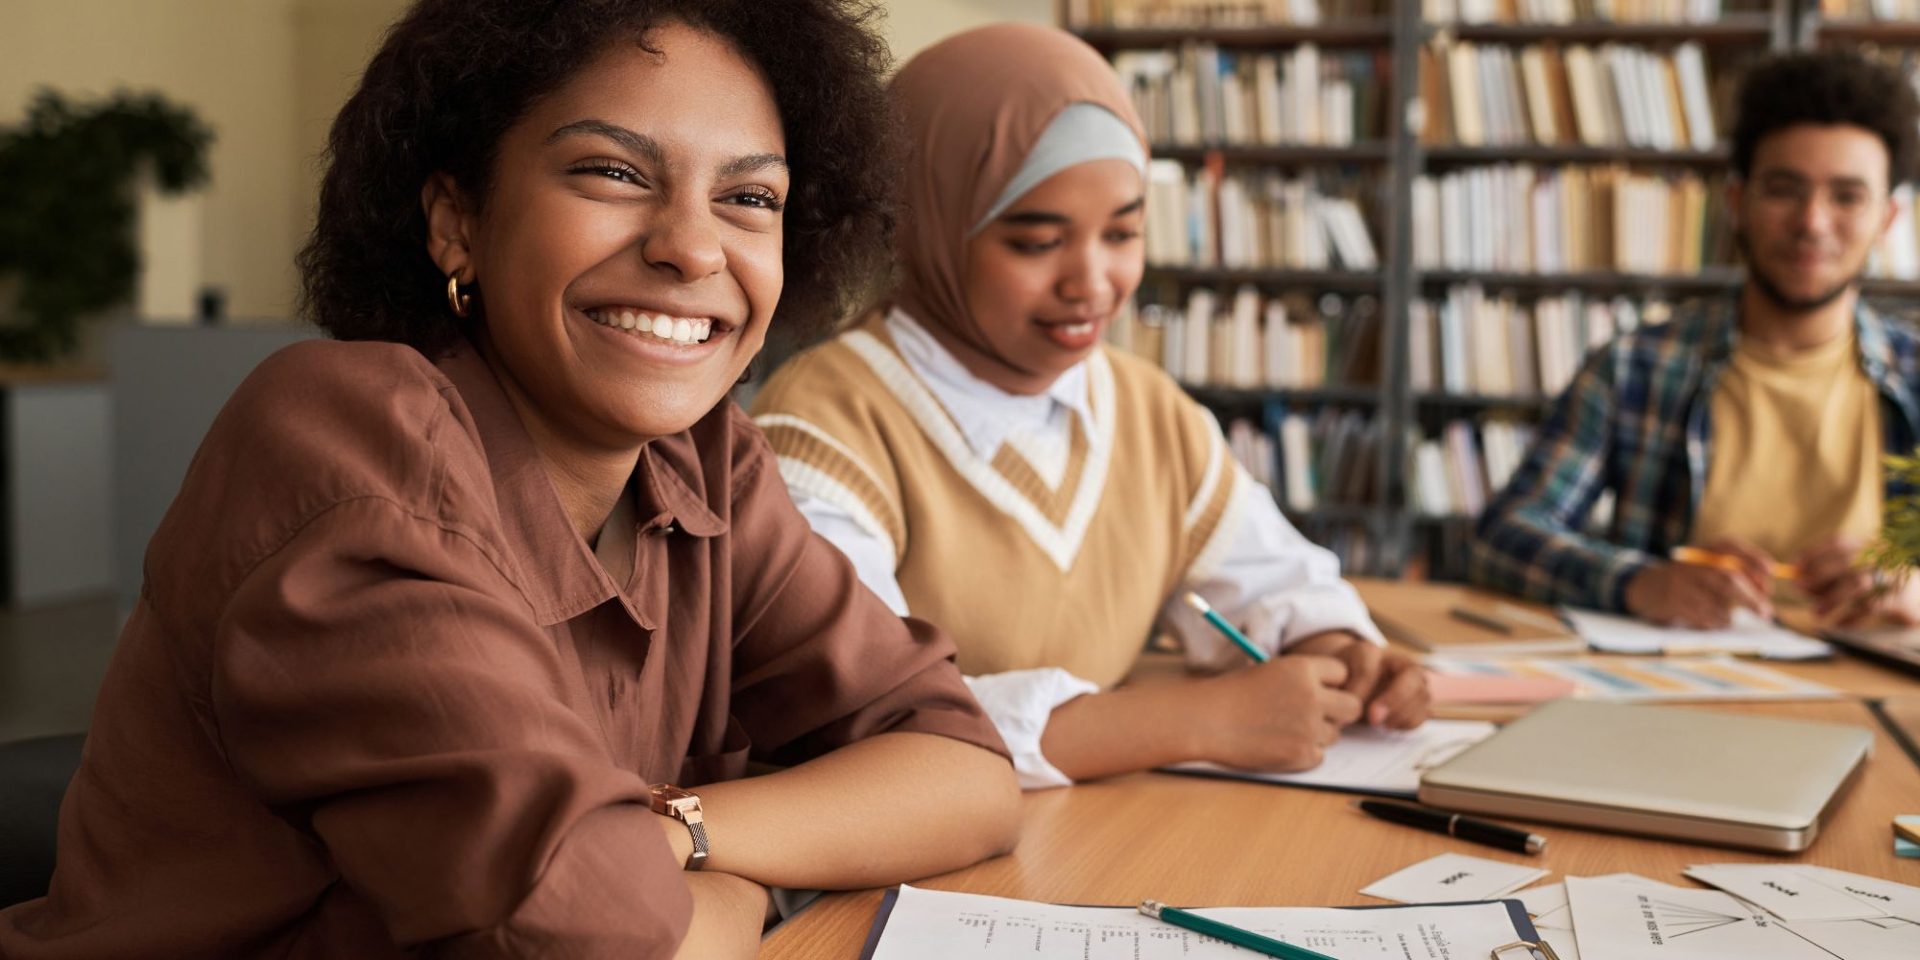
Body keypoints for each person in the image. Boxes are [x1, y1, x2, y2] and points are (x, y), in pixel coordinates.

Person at [0, 2, 1021, 957]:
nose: (693, 246)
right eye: (613, 174)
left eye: (749, 197)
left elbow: (964, 771)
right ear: (457, 221)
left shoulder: (706, 463)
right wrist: (760, 886)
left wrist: (678, 833)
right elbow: (584, 927)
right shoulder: (338, 440)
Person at [749, 23, 1429, 792]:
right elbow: (867, 714)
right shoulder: (824, 425)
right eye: (1037, 242)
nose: (1094, 282)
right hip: (896, 870)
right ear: (924, 228)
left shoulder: (1146, 409)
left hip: (1086, 838)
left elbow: (1273, 580)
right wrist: (1203, 721)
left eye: (1124, 232)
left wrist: (1340, 647)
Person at [1472, 49, 1920, 630]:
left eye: (1846, 196)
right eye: (1784, 189)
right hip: (1679, 687)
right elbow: (1502, 536)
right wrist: (1640, 582)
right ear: (1737, 203)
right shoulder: (1634, 367)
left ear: (1886, 219)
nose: (1812, 221)